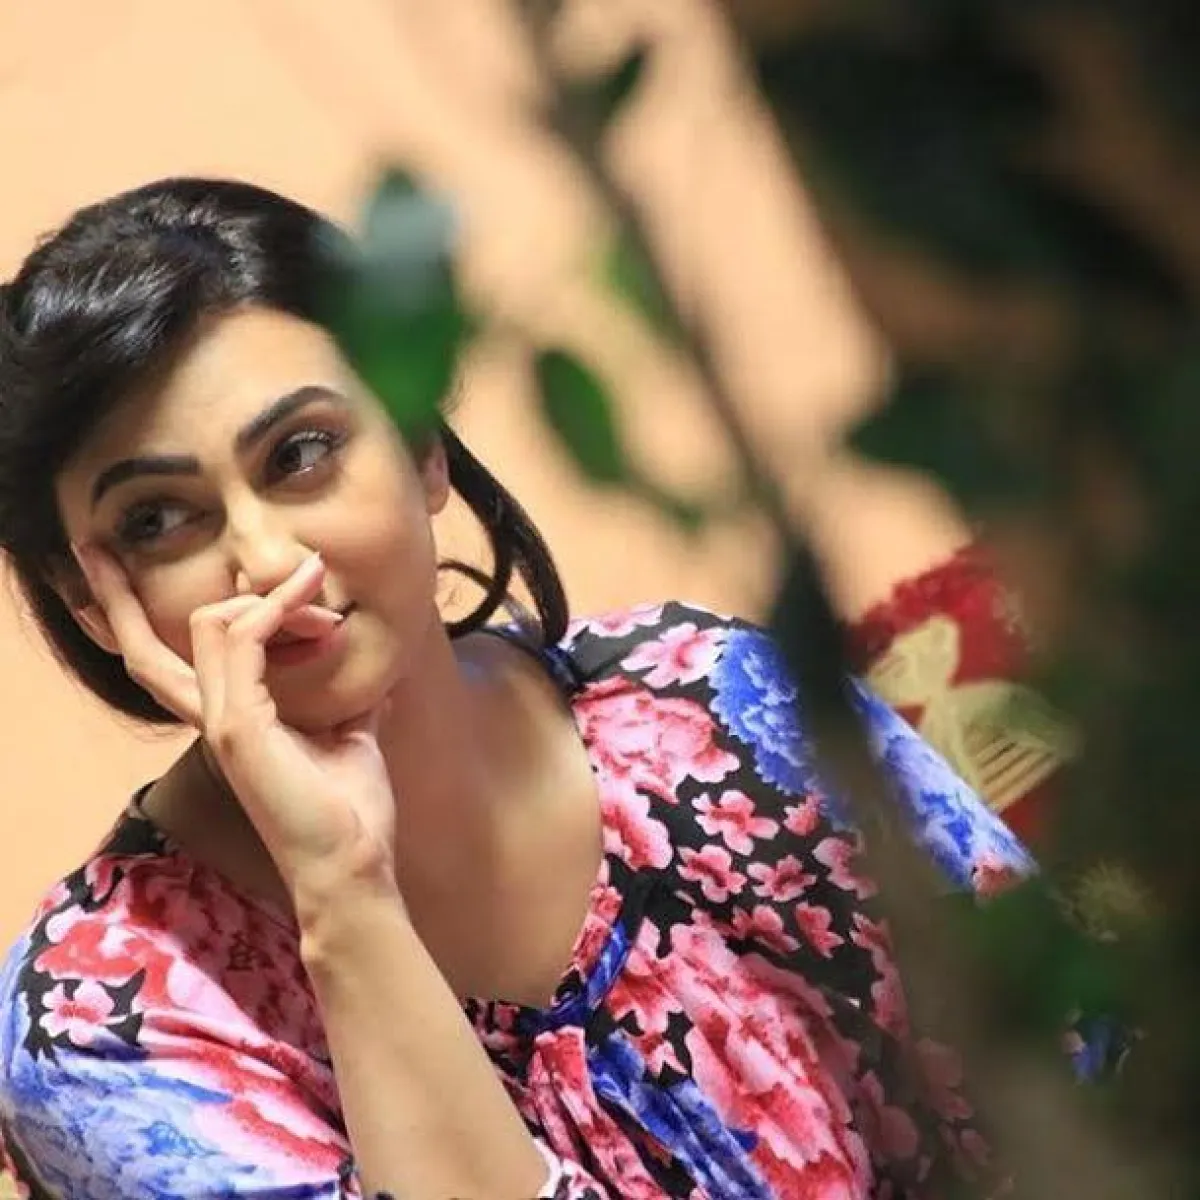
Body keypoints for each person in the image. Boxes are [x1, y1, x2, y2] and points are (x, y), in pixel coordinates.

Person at [0, 178, 1031, 1199]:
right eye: (158, 520)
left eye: (301, 454)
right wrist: (343, 896)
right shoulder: (97, 1024)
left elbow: (1075, 1066)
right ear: (89, 599)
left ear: (421, 448)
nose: (268, 561)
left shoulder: (712, 705)